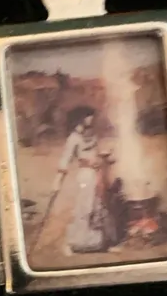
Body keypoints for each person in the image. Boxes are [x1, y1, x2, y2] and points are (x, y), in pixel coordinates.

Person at [52, 106, 121, 255]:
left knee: (99, 207)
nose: (91, 119)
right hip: (85, 176)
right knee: (84, 208)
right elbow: (66, 159)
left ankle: (102, 243)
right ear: (80, 119)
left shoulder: (92, 134)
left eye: (91, 116)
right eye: (88, 116)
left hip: (97, 174)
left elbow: (95, 153)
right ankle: (72, 244)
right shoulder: (74, 138)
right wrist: (58, 180)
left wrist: (106, 156)